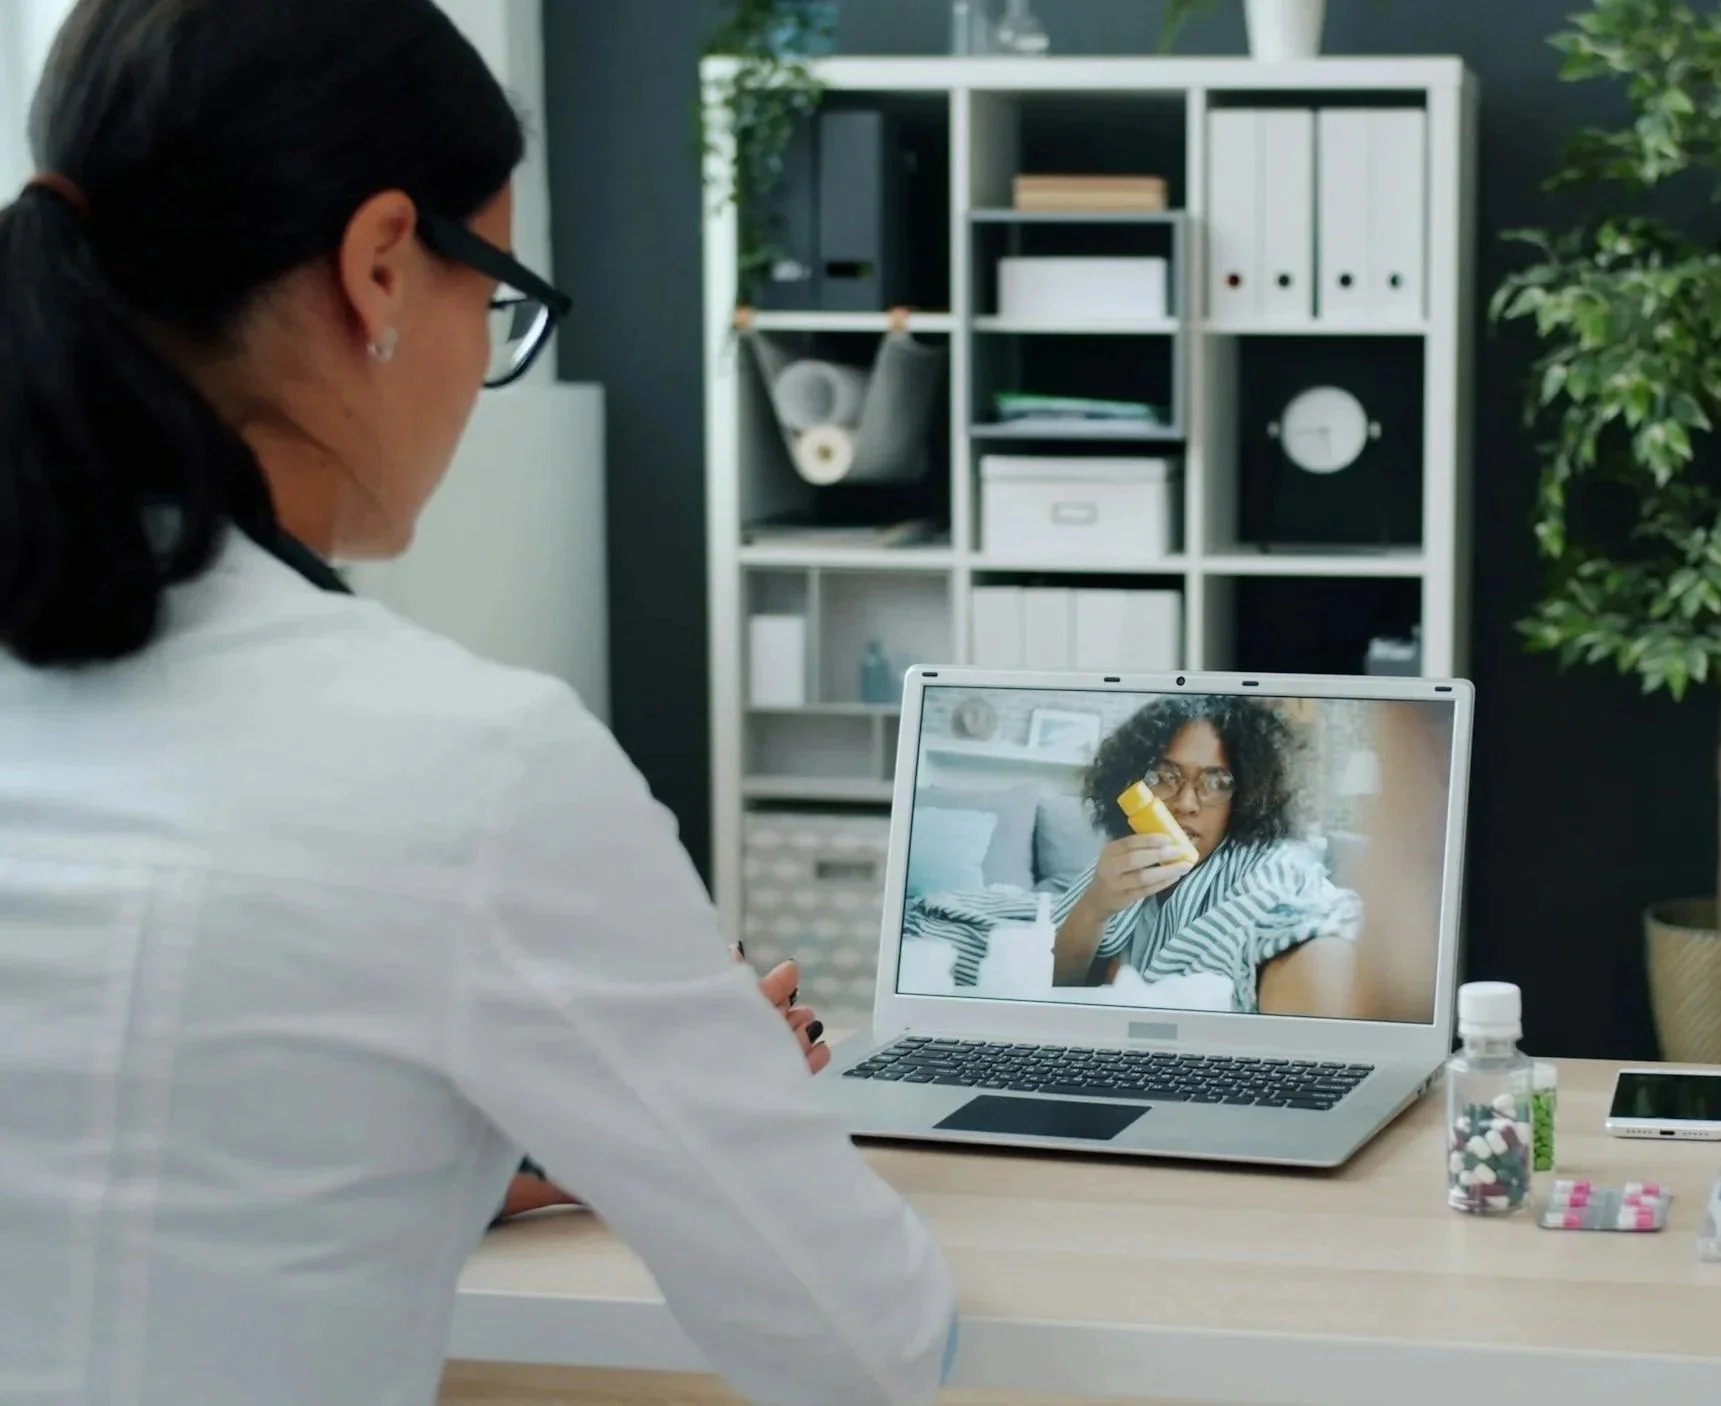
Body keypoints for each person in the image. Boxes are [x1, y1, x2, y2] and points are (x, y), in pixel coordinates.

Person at [0, 3, 953, 1404]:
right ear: (383, 264)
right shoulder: (471, 766)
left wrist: (465, 1144)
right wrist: (694, 1104)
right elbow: (871, 1341)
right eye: (495, 293)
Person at [905, 696, 1362, 1013]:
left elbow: (1292, 925)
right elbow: (1057, 984)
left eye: (1216, 782)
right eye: (1165, 776)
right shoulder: (1114, 862)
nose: (1186, 802)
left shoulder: (1268, 865)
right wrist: (1094, 906)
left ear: (1248, 795)